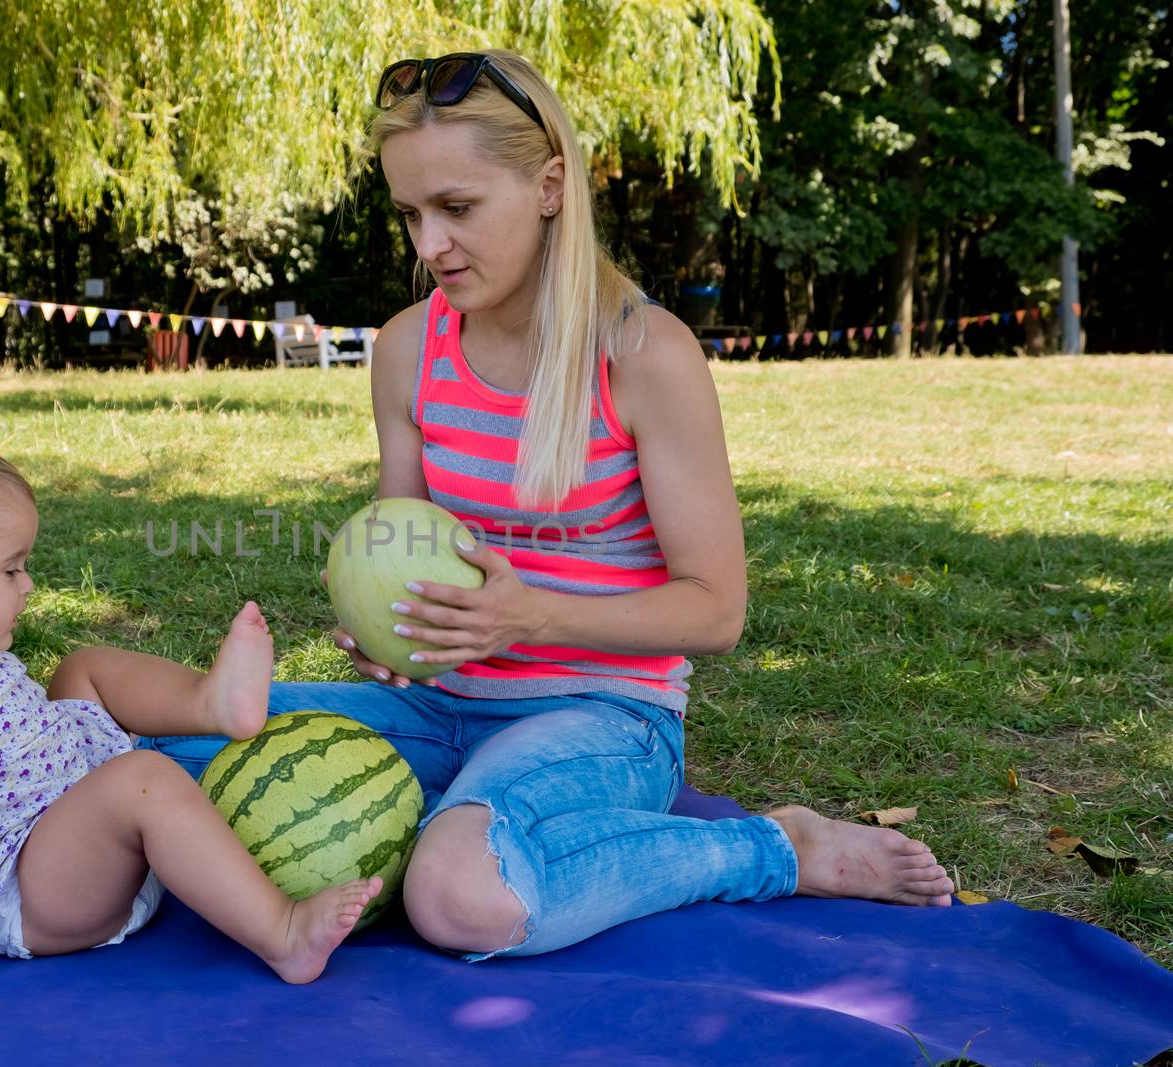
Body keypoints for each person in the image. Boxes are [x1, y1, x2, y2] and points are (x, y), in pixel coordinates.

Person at [145, 50, 954, 961]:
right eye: (410, 214)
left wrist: (529, 615)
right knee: (134, 756)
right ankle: (468, 812)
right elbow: (400, 542)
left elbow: (716, 610)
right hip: (440, 711)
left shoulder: (647, 355)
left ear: (550, 186)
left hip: (606, 715)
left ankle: (778, 846)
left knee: (455, 895)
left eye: (456, 208)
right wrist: (387, 630)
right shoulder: (408, 350)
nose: (428, 247)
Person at [0, 433, 381, 1028]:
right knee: (142, 778)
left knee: (80, 667)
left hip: (58, 826)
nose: (28, 585)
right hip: (30, 895)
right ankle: (283, 932)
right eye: (10, 569)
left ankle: (212, 703)